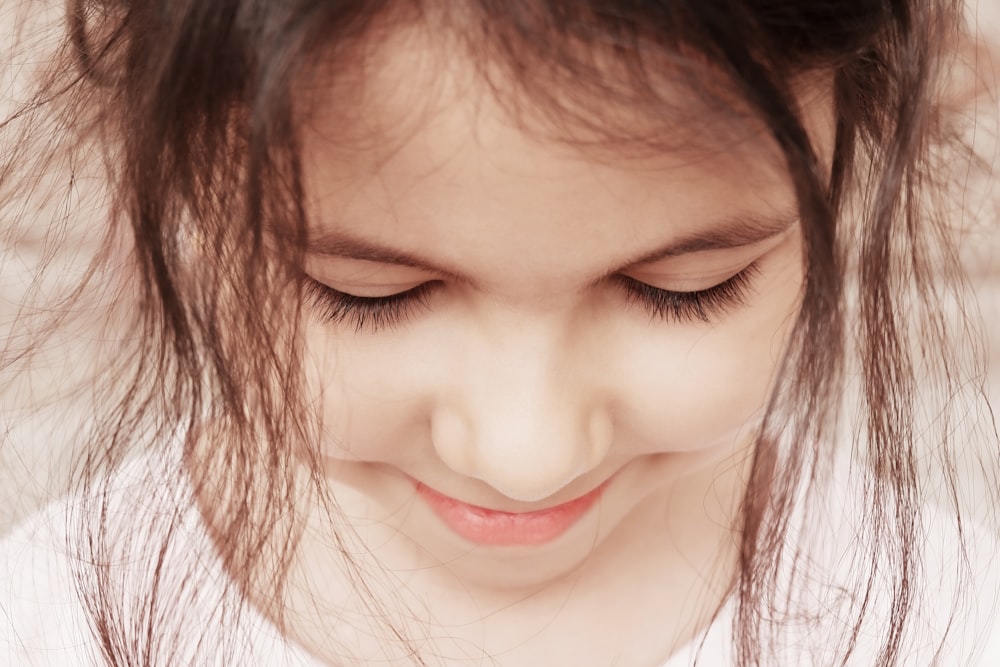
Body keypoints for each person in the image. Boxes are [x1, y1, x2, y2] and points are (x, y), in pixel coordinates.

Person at [1, 0, 998, 665]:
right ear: (184, 181)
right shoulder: (49, 625)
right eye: (369, 294)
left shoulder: (951, 617)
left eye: (680, 288)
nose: (527, 456)